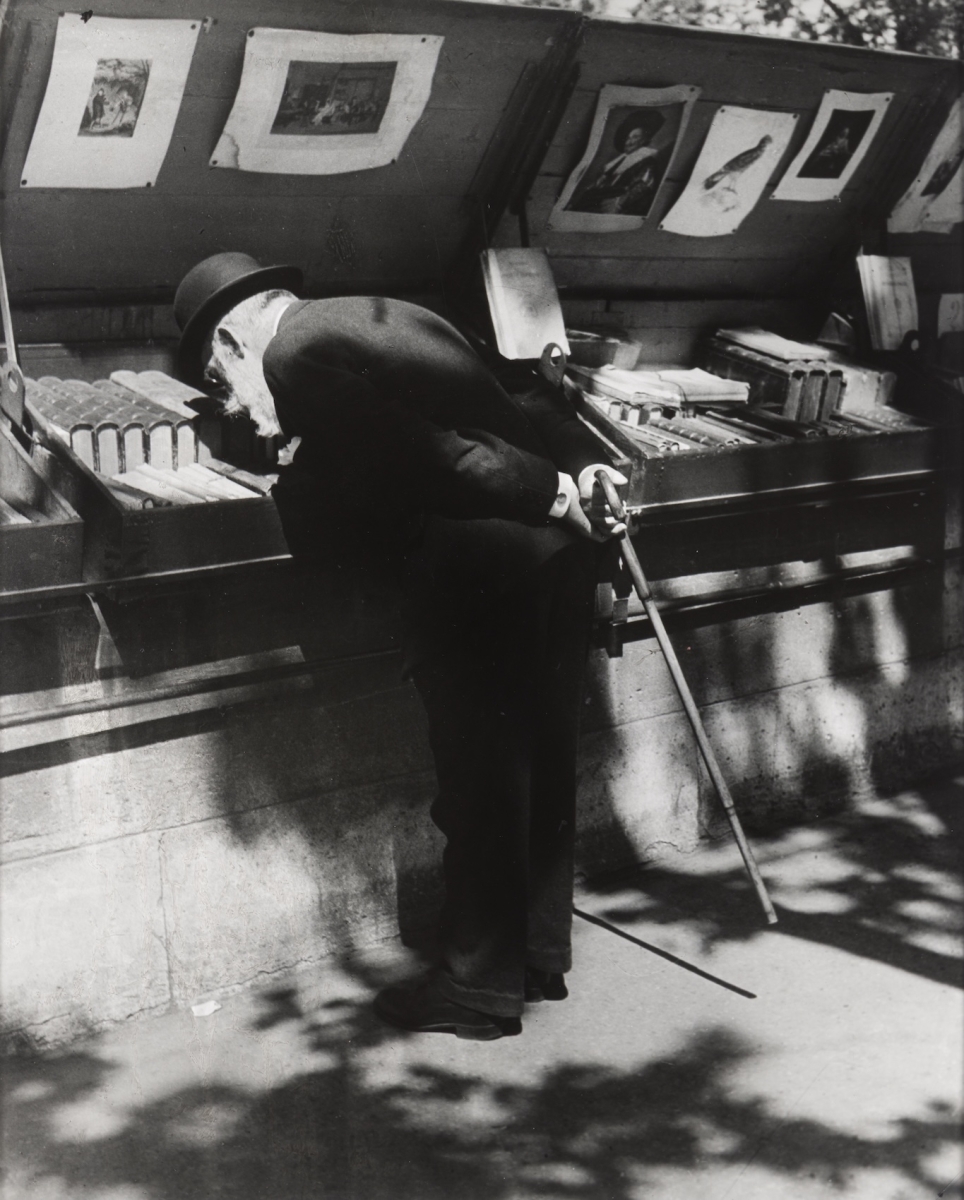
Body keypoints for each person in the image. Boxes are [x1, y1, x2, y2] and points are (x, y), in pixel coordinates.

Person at [174, 252, 626, 1040]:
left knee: (481, 786)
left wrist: (553, 494)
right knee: (542, 770)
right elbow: (516, 400)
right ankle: (536, 958)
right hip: (551, 567)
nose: (234, 402)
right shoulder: (387, 312)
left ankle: (478, 991)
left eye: (220, 381)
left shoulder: (292, 356)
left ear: (233, 343)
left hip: (484, 581)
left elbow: (430, 458)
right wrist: (583, 473)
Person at [570, 110, 670, 217]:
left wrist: (619, 202)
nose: (628, 142)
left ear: (644, 140)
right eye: (628, 138)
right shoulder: (619, 161)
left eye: (635, 137)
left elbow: (644, 185)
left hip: (618, 207)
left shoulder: (647, 161)